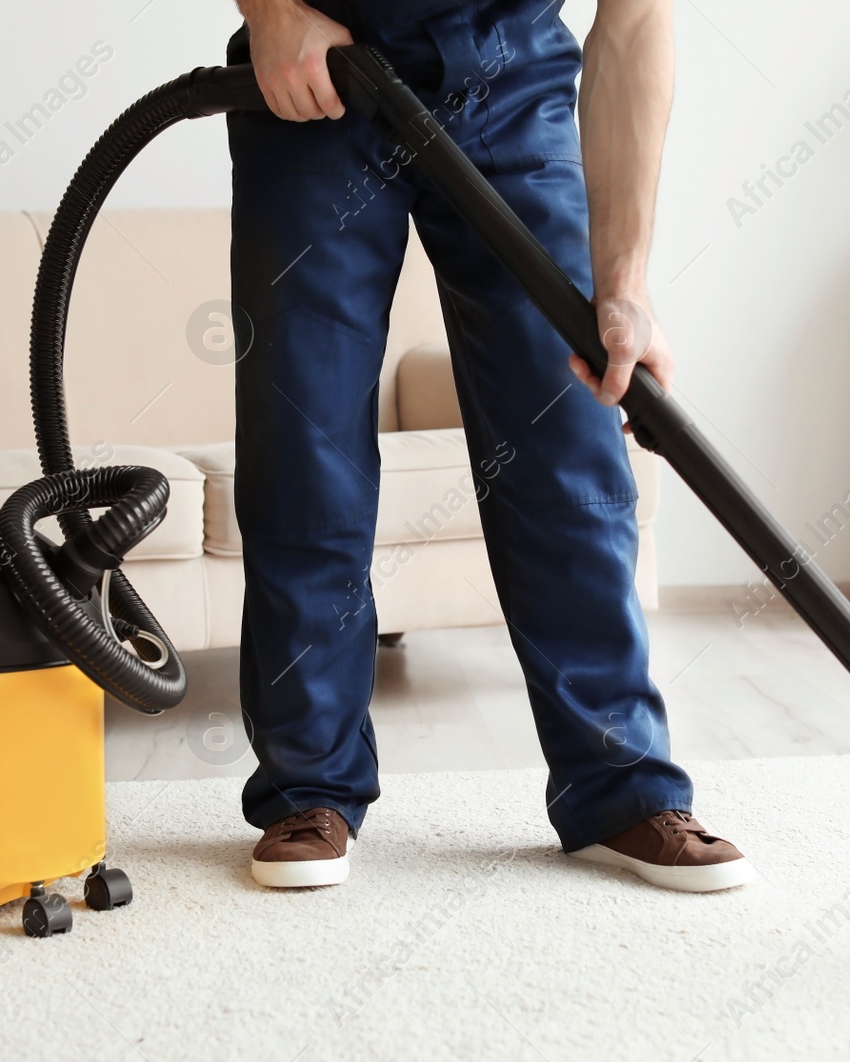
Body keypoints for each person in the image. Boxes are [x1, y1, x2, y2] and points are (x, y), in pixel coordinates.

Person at [228, 0, 753, 892]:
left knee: (568, 429)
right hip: (318, 67)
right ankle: (306, 787)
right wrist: (271, 11)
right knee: (304, 437)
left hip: (508, 73)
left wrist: (623, 281)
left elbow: (632, 24)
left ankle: (621, 786)